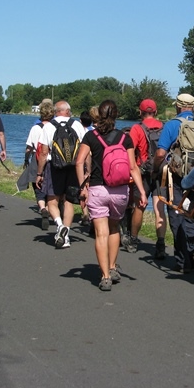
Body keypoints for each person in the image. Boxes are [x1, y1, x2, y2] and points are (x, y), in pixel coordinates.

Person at [75, 100, 147, 291]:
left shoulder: (91, 136)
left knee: (101, 233)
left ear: (98, 114)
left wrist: (83, 187)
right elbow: (133, 167)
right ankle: (113, 266)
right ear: (116, 115)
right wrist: (141, 191)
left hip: (98, 189)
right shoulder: (126, 139)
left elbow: (79, 161)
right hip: (120, 191)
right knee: (115, 228)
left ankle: (105, 277)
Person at [153, 93, 194, 273]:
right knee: (192, 213)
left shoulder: (172, 125)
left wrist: (155, 169)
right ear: (193, 107)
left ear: (178, 107)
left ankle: (182, 260)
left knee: (176, 214)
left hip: (177, 178)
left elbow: (160, 154)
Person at [36, 101, 86, 249]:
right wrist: (86, 170)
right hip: (73, 167)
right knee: (68, 201)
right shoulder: (77, 125)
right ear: (68, 112)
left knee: (52, 200)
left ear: (56, 112)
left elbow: (44, 153)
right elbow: (85, 150)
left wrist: (39, 173)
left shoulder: (49, 126)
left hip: (54, 167)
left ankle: (59, 226)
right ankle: (67, 234)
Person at [126, 98, 168, 258]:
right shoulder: (164, 127)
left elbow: (130, 150)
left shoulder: (136, 129)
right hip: (160, 172)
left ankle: (133, 240)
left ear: (140, 112)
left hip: (142, 173)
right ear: (156, 112)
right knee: (159, 209)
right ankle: (161, 245)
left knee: (140, 207)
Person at [24, 99, 54, 230]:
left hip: (37, 160)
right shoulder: (54, 128)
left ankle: (42, 208)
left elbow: (29, 148)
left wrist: (26, 159)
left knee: (37, 186)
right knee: (49, 186)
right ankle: (48, 208)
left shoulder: (35, 128)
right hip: (51, 160)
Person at [78, 110, 95, 226]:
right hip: (94, 162)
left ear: (80, 120)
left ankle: (85, 212)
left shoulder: (78, 131)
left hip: (83, 160)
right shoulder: (94, 131)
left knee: (82, 187)